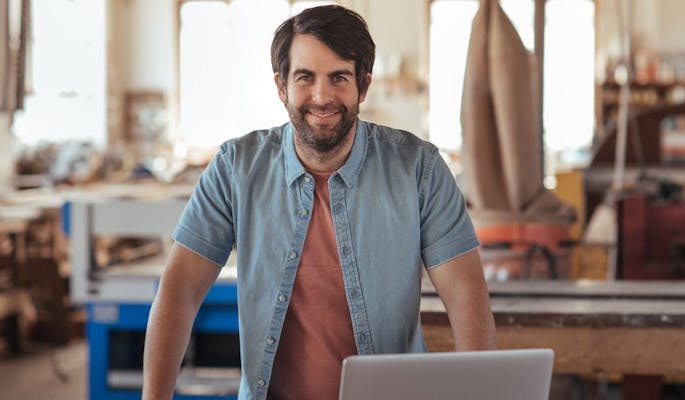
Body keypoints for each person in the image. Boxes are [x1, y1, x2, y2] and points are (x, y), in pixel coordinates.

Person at [142, 5, 496, 400]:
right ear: (282, 86)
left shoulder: (420, 169)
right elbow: (179, 290)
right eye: (305, 77)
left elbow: (466, 296)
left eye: (339, 77)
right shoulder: (234, 169)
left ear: (363, 85)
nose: (322, 96)